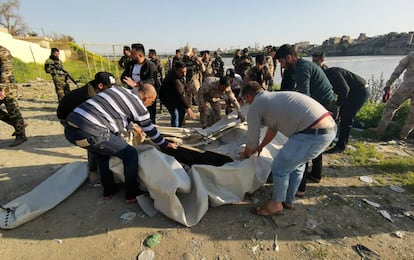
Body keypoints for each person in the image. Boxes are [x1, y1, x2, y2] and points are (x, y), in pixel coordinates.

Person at [64, 84, 177, 202]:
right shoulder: (139, 106)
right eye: (152, 101)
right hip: (91, 131)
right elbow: (150, 130)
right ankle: (132, 194)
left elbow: (115, 112)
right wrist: (164, 144)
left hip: (71, 129)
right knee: (130, 154)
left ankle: (109, 190)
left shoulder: (119, 90)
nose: (151, 104)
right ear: (147, 98)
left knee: (104, 155)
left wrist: (132, 126)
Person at [239, 81, 336, 216]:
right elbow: (273, 129)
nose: (247, 103)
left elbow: (252, 137)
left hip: (312, 133)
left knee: (280, 167)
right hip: (328, 129)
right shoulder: (272, 99)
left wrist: (247, 153)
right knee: (296, 166)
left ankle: (275, 205)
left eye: (246, 100)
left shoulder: (256, 104)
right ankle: (288, 201)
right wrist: (261, 147)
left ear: (249, 96)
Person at [276, 44, 336, 195]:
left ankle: (299, 188)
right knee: (316, 141)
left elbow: (304, 97)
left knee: (305, 142)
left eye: (281, 61)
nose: (281, 65)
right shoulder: (301, 66)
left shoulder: (302, 68)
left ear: (289, 57)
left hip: (322, 105)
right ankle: (316, 175)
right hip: (323, 104)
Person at [57, 72, 116, 183]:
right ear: (100, 86)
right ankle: (93, 171)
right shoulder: (91, 97)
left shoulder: (95, 87)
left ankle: (98, 166)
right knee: (93, 141)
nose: (111, 91)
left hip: (75, 112)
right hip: (68, 118)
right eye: (109, 88)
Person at [312, 52, 370, 153]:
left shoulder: (331, 73)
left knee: (346, 117)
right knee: (343, 115)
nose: (315, 64)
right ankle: (355, 127)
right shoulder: (323, 72)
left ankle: (340, 146)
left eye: (317, 61)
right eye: (313, 62)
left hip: (359, 91)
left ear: (322, 60)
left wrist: (338, 105)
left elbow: (345, 90)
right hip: (352, 92)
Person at [372, 51, 414, 140]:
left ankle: (380, 131)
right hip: (408, 85)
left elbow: (398, 70)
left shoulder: (412, 55)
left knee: (391, 107)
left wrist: (389, 83)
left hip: (407, 86)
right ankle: (403, 135)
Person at [121, 43, 158, 123]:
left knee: (148, 118)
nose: (131, 55)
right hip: (133, 95)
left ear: (140, 55)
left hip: (146, 96)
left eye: (133, 54)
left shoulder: (150, 65)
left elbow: (152, 80)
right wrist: (126, 80)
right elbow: (124, 76)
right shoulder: (131, 65)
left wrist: (136, 84)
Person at [0, 45, 28, 147]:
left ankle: (21, 136)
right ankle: (18, 124)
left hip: (7, 87)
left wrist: (2, 89)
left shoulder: (3, 52)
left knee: (13, 111)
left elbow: (6, 70)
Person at [159, 61, 196, 127]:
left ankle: (179, 127)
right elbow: (180, 95)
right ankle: (175, 130)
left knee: (182, 111)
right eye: (182, 72)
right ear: (176, 70)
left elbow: (184, 89)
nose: (184, 74)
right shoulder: (173, 79)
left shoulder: (180, 75)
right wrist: (188, 108)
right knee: (175, 114)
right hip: (167, 98)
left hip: (176, 97)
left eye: (185, 71)